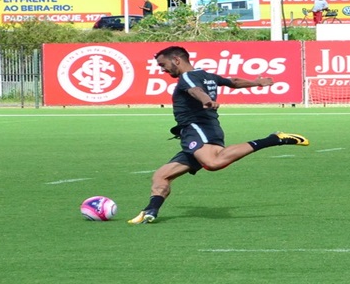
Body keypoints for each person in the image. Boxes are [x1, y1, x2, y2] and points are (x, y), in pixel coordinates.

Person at [128, 46, 310, 224]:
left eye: (163, 64)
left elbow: (195, 91)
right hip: (193, 133)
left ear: (177, 60)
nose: (162, 69)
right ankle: (150, 211)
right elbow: (233, 82)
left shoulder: (187, 78)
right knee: (161, 175)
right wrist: (256, 82)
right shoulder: (206, 75)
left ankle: (273, 139)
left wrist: (207, 100)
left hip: (199, 129)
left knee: (213, 163)